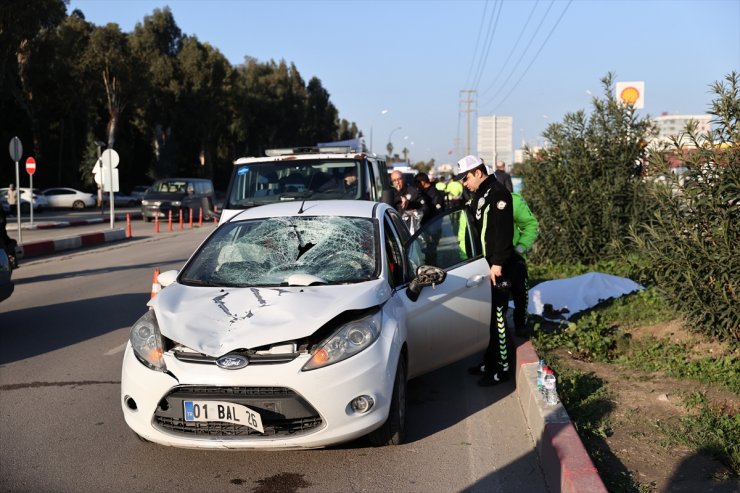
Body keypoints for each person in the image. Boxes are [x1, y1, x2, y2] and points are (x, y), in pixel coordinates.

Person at [455, 155, 516, 386]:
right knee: (489, 319)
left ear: (478, 173)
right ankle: (490, 362)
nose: (464, 182)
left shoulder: (499, 194)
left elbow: (502, 232)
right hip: (484, 265)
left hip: (497, 267)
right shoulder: (481, 194)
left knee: (499, 319)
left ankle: (502, 368)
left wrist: (498, 263)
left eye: (466, 177)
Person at [510, 192, 539, 338]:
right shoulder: (474, 204)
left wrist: (522, 246)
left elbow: (531, 224)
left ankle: (520, 326)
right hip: (487, 262)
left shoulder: (513, 200)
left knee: (521, 296)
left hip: (514, 258)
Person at [414, 173, 446, 265]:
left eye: (417, 183)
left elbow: (437, 212)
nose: (416, 185)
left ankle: (432, 269)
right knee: (428, 251)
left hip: (432, 228)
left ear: (423, 182)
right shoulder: (423, 192)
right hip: (426, 227)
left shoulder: (434, 193)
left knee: (431, 251)